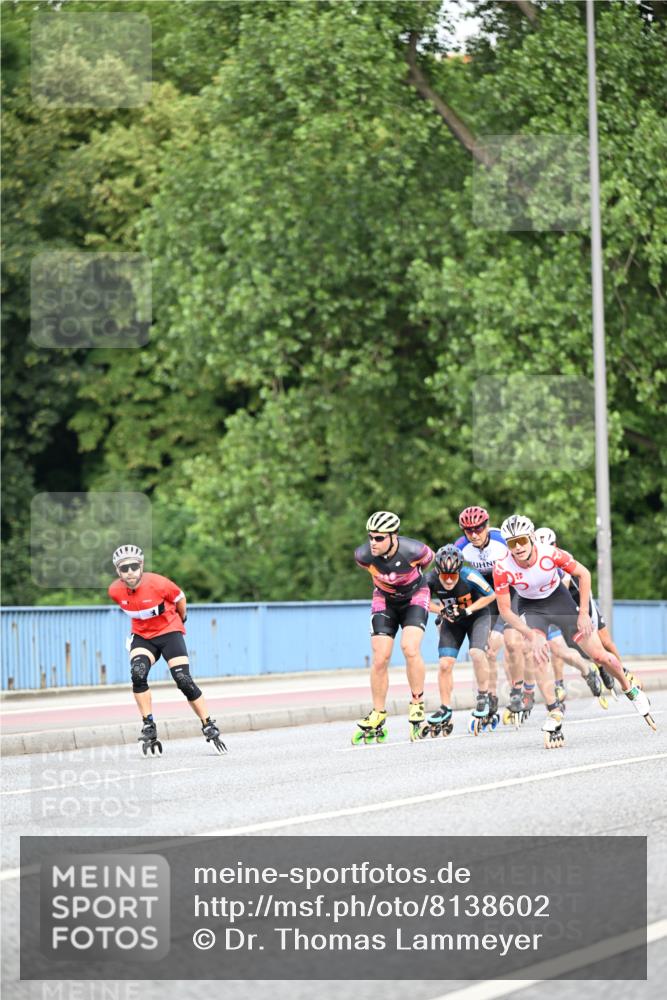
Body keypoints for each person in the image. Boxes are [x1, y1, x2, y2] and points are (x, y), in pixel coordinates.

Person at [493, 516, 656, 748]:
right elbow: (506, 611)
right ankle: (554, 711)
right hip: (532, 607)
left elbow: (584, 574)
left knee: (599, 655)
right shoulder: (502, 567)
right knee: (536, 652)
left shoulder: (549, 554)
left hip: (560, 602)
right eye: (511, 543)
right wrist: (531, 635)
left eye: (521, 540)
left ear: (530, 538)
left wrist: (583, 614)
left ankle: (630, 689)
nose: (517, 547)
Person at [108, 545, 227, 755]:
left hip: (169, 631)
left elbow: (180, 599)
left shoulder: (158, 583)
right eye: (124, 568)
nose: (130, 572)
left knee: (183, 680)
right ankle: (149, 725)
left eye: (134, 566)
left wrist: (181, 620)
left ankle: (208, 723)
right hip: (143, 637)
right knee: (137, 673)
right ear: (118, 571)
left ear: (141, 565)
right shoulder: (114, 591)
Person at [353, 512, 434, 743]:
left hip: (414, 598)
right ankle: (378, 712)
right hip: (385, 600)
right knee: (380, 657)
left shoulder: (415, 551)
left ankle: (417, 703)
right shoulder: (363, 555)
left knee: (409, 648)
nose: (373, 542)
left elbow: (430, 561)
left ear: (393, 536)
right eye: (370, 537)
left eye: (379, 538)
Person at [455, 506, 528, 708]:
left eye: (478, 529)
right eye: (469, 531)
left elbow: (524, 563)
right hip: (487, 594)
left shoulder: (502, 540)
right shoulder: (461, 547)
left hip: (510, 591)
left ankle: (517, 689)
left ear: (486, 526)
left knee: (512, 643)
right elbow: (459, 582)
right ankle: (492, 696)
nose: (474, 534)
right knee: (488, 649)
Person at [423, 544, 497, 737]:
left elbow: (490, 595)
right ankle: (445, 707)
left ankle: (483, 697)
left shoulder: (469, 575)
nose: (448, 580)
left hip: (476, 617)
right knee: (445, 664)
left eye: (453, 575)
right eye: (444, 575)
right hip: (452, 621)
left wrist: (467, 610)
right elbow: (420, 600)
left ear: (459, 570)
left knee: (476, 653)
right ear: (437, 571)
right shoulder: (430, 579)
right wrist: (441, 611)